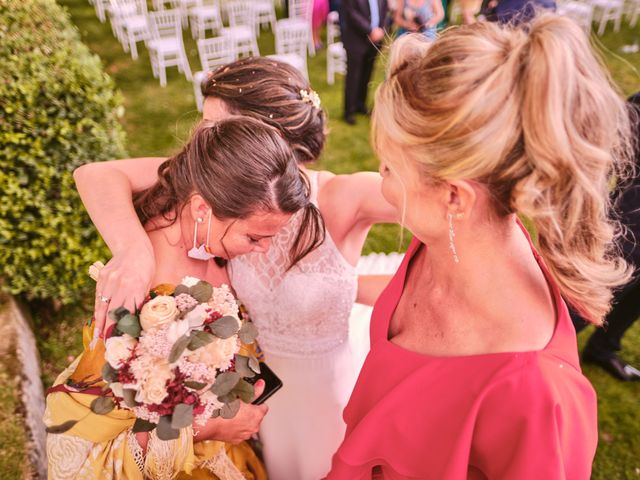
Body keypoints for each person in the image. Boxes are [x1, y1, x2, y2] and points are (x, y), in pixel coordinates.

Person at [326, 15, 634, 479]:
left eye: (389, 168)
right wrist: (338, 286)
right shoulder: (448, 240)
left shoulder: (536, 394)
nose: (382, 183)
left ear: (455, 196)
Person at [74, 57, 397, 480]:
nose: (201, 140)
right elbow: (97, 175)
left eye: (214, 127)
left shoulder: (339, 196)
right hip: (259, 397)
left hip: (326, 389)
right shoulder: (212, 187)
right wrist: (133, 251)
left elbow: (440, 203)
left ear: (264, 137)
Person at [45, 117, 324, 479]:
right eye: (254, 238)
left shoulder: (194, 192)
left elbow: (101, 175)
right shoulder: (149, 304)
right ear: (202, 209)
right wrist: (210, 428)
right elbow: (112, 439)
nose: (264, 250)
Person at [570, 92, 640, 381]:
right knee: (593, 291)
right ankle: (523, 353)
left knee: (635, 297)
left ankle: (602, 349)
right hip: (632, 222)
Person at [341, 0, 389, 125]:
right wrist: (370, 30)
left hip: (376, 41)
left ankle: (360, 104)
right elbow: (351, 13)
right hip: (356, 39)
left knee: (367, 74)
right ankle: (349, 111)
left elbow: (384, 11)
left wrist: (381, 30)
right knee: (353, 76)